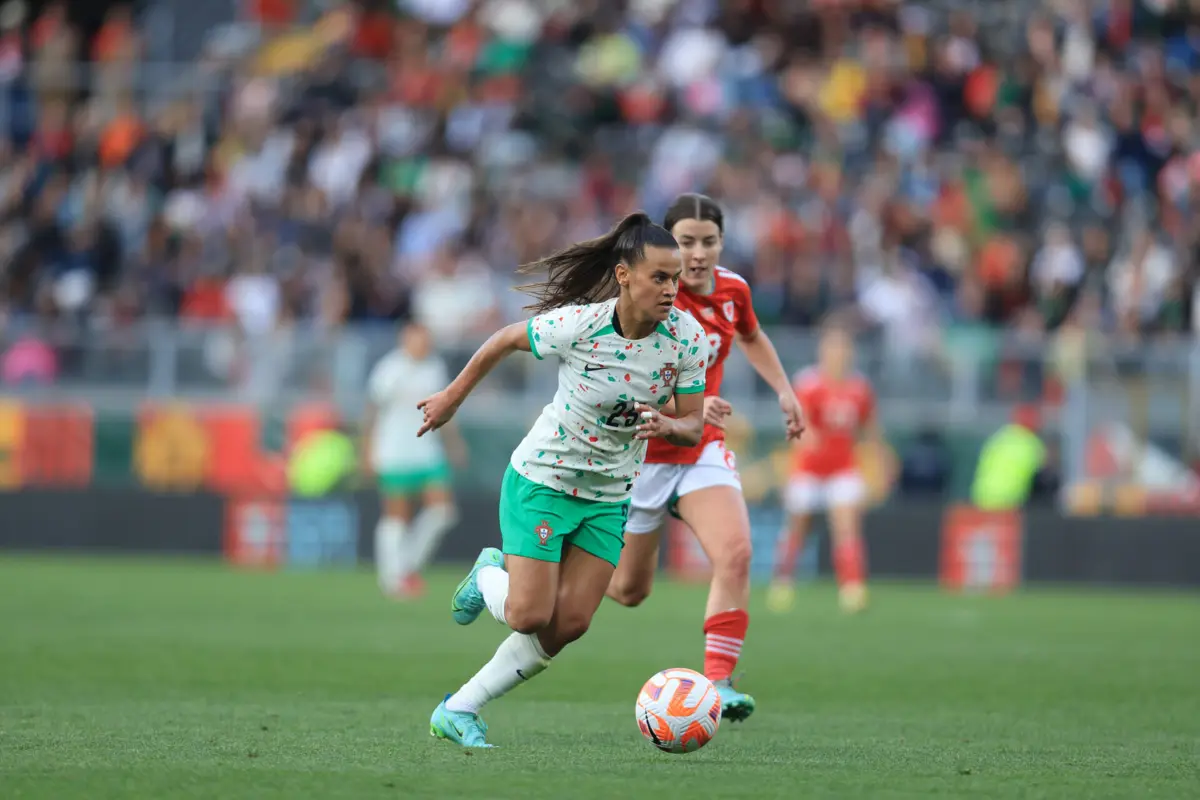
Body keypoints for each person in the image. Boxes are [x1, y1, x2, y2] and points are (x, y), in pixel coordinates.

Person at [418, 212, 710, 748]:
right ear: (624, 276)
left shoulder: (687, 339)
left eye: (676, 279)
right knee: (528, 614)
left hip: (609, 494)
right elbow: (504, 339)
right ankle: (488, 576)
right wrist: (451, 398)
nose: (672, 289)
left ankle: (458, 709)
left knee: (570, 623)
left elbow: (693, 422)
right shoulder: (581, 325)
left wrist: (670, 425)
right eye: (659, 277)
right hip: (545, 479)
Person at [604, 194, 804, 722]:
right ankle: (537, 573)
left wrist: (784, 390)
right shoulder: (649, 297)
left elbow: (752, 335)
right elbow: (621, 377)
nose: (697, 254)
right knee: (629, 591)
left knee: (736, 553)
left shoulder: (734, 289)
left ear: (722, 243)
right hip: (641, 454)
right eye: (686, 242)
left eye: (708, 242)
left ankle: (718, 680)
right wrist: (685, 404)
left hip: (701, 448)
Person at [769, 322, 885, 614]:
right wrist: (807, 437)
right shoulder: (808, 383)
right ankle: (783, 582)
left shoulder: (860, 388)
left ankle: (852, 588)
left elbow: (870, 430)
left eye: (843, 347)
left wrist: (878, 463)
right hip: (808, 468)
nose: (838, 353)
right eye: (833, 347)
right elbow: (799, 421)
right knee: (798, 525)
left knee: (846, 524)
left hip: (843, 467)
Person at [364, 321, 466, 599]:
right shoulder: (390, 369)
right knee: (397, 515)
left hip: (427, 450)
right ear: (405, 339)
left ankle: (406, 565)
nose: (422, 344)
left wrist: (454, 444)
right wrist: (367, 450)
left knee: (443, 512)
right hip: (395, 451)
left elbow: (446, 409)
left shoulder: (435, 368)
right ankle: (391, 577)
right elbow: (372, 411)